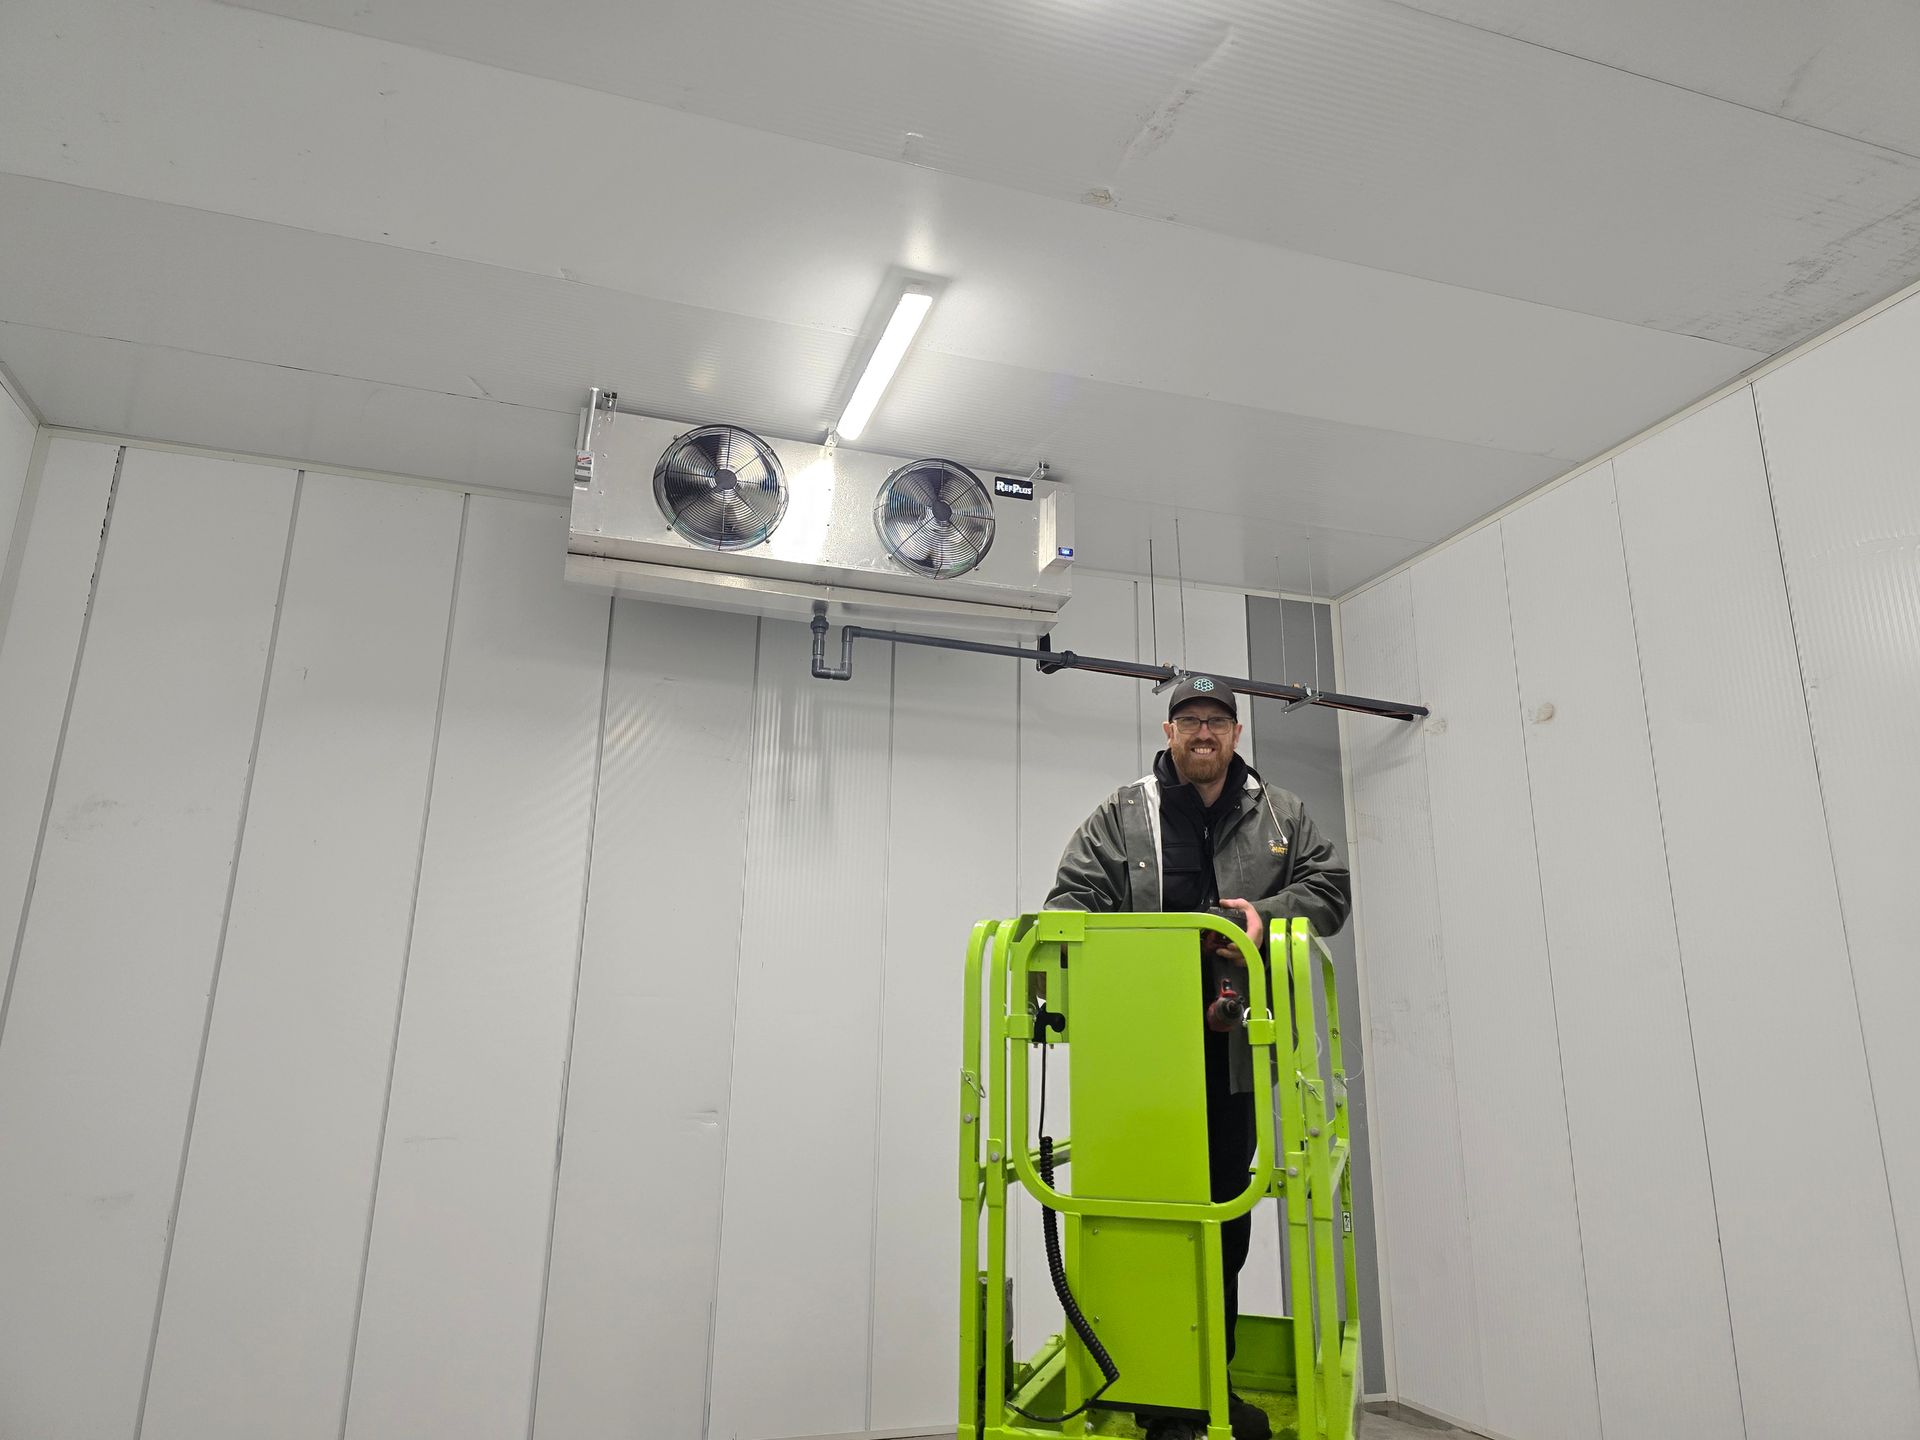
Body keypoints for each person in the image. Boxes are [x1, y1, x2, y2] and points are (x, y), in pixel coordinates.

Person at [1046, 674, 1352, 1440]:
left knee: (1224, 1222)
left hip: (1237, 1058)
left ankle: (1209, 1384)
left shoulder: (1282, 813)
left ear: (1236, 734)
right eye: (1190, 721)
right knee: (1147, 1224)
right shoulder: (1122, 815)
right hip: (1141, 1063)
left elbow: (1331, 890)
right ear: (1168, 730)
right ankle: (1158, 1399)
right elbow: (1067, 903)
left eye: (1217, 720)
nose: (1203, 733)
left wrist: (1263, 915)